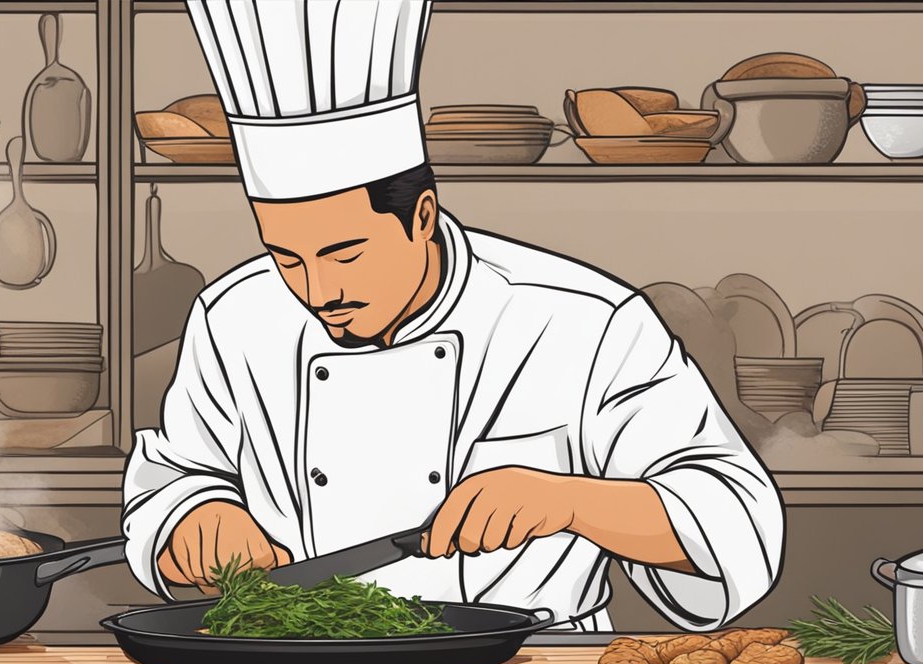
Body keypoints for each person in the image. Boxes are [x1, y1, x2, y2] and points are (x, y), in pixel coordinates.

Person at [122, 0, 783, 631]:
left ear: (422, 217)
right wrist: (196, 516)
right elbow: (174, 479)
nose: (317, 290)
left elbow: (737, 523)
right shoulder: (234, 317)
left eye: (345, 253)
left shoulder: (586, 320)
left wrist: (570, 501)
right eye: (286, 257)